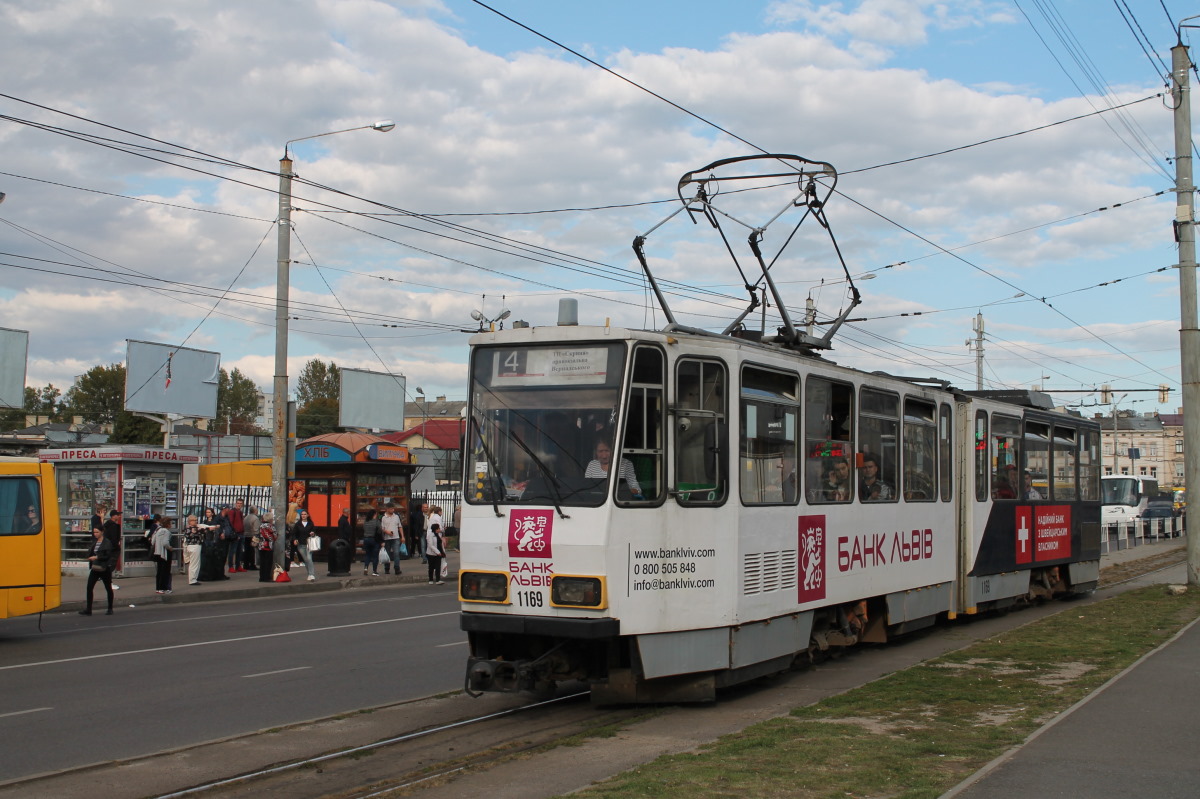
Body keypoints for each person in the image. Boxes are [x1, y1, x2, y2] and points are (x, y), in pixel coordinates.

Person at [80, 525, 115, 616]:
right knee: (89, 587)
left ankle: (110, 608)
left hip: (104, 568)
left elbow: (107, 555)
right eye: (94, 532)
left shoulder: (107, 542)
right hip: (95, 567)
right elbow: (91, 552)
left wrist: (97, 557)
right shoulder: (95, 542)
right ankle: (88, 609)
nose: (95, 534)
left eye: (97, 532)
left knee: (108, 588)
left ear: (102, 532)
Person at [197, 507, 229, 582]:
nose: (207, 514)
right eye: (206, 512)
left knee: (214, 558)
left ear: (212, 513)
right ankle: (205, 574)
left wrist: (214, 528)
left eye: (209, 512)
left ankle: (215, 574)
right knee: (206, 559)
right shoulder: (205, 521)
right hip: (206, 540)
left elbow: (219, 528)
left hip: (214, 541)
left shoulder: (215, 520)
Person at [290, 509, 317, 582]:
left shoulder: (310, 523)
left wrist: (312, 533)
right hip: (301, 544)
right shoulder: (298, 524)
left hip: (309, 544)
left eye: (305, 514)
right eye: (302, 514)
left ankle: (312, 574)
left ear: (307, 515)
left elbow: (314, 530)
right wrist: (295, 539)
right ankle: (309, 574)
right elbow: (294, 533)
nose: (303, 516)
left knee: (309, 559)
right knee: (305, 560)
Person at [152, 517, 173, 594]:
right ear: (167, 524)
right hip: (165, 553)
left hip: (157, 552)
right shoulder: (166, 531)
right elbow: (165, 543)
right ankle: (164, 588)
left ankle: (158, 588)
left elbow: (152, 541)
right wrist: (170, 548)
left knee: (159, 571)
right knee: (166, 571)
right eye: (171, 523)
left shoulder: (158, 530)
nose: (171, 525)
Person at [102, 509, 123, 586]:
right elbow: (114, 538)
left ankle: (108, 581)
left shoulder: (107, 524)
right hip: (112, 549)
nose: (119, 516)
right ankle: (109, 583)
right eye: (118, 515)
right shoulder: (113, 526)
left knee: (109, 565)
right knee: (110, 566)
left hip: (108, 547)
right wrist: (116, 546)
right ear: (114, 516)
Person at [225, 499, 246, 573]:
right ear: (235, 503)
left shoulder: (240, 512)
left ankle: (238, 566)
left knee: (239, 551)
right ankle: (231, 566)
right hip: (235, 534)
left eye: (240, 503)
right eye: (238, 503)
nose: (239, 505)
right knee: (233, 550)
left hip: (240, 533)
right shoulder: (232, 512)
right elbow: (231, 523)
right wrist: (234, 532)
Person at [182, 514, 204, 586]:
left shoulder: (192, 528)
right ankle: (192, 579)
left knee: (195, 563)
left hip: (193, 546)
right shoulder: (190, 529)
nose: (196, 522)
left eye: (196, 520)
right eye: (194, 520)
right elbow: (193, 535)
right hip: (194, 546)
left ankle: (194, 578)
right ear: (190, 521)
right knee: (194, 563)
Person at [380, 505, 402, 575]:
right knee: (387, 554)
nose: (393, 510)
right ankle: (387, 568)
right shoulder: (383, 518)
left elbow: (400, 526)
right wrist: (387, 532)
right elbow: (382, 528)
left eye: (393, 508)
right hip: (387, 538)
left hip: (396, 537)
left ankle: (397, 568)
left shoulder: (396, 516)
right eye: (391, 509)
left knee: (396, 553)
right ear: (387, 509)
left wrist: (403, 536)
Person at [257, 513, 277, 583]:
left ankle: (262, 577)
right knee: (268, 562)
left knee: (262, 563)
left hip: (261, 546)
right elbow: (274, 537)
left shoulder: (261, 525)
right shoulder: (270, 526)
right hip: (268, 546)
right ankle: (267, 577)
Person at [362, 510, 382, 576]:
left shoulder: (366, 522)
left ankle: (366, 568)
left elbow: (364, 529)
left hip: (366, 539)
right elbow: (380, 530)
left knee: (368, 555)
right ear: (374, 514)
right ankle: (374, 571)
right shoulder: (376, 521)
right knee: (375, 556)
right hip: (374, 539)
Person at [242, 505, 261, 571]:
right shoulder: (255, 518)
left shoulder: (246, 517)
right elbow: (256, 529)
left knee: (247, 550)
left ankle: (246, 564)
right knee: (252, 551)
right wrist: (257, 536)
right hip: (252, 536)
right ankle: (252, 564)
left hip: (246, 535)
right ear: (255, 511)